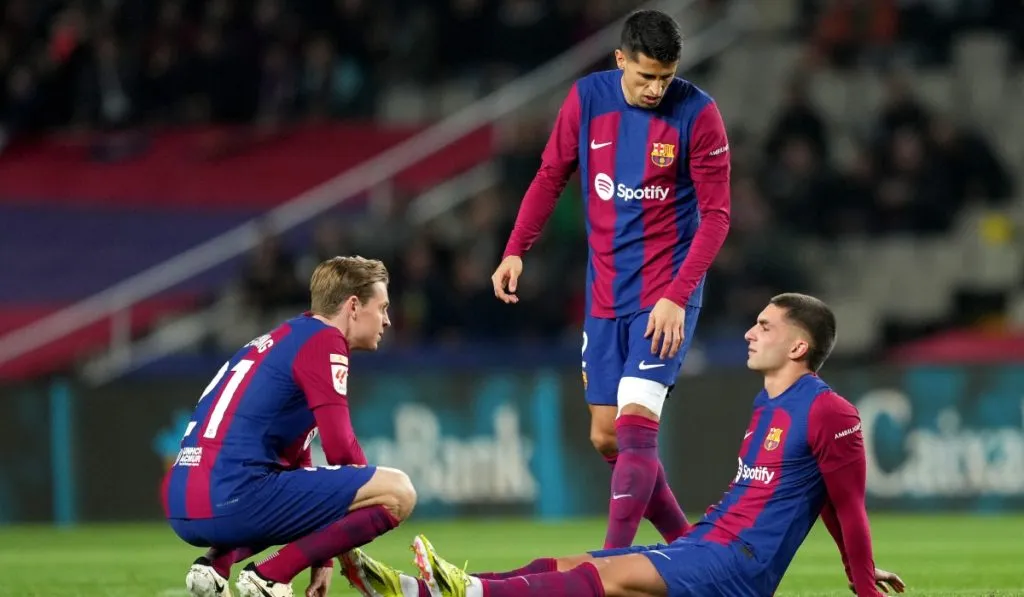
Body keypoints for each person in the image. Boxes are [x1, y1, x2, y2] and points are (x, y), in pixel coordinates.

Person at [339, 293, 907, 597]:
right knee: (571, 563)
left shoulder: (830, 411)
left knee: (606, 578)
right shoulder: (768, 405)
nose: (749, 332)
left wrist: (863, 583)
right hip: (709, 544)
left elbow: (846, 503)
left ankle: (467, 593)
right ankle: (419, 591)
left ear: (799, 345)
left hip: (738, 566)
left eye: (764, 325)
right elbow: (826, 498)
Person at [490, 8, 732, 549]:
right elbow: (551, 175)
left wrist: (677, 295)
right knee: (606, 437)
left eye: (666, 78)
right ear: (620, 59)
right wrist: (515, 250)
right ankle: (691, 551)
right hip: (604, 294)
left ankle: (611, 561)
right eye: (646, 76)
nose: (655, 89)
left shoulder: (699, 114)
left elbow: (717, 217)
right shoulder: (586, 99)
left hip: (667, 292)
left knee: (635, 429)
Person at [162, 256, 417, 597]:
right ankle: (269, 576)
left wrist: (322, 560)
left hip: (184, 500)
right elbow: (340, 447)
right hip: (230, 498)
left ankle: (215, 566)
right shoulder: (326, 341)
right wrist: (357, 508)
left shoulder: (286, 336)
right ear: (354, 306)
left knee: (289, 486)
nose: (386, 320)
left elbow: (300, 466)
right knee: (398, 492)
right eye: (382, 307)